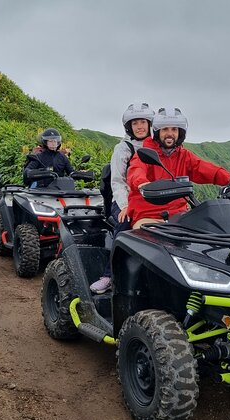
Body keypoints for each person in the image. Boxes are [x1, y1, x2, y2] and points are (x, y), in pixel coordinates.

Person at [127, 107, 230, 229]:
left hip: (179, 217)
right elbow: (136, 170)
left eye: (174, 129)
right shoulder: (145, 153)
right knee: (144, 241)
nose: (170, 133)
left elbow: (209, 170)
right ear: (157, 132)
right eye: (165, 129)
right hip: (148, 216)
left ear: (180, 132)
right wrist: (141, 183)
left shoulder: (184, 156)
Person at [90, 102, 154, 294]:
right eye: (135, 123)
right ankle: (109, 276)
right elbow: (117, 182)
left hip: (151, 200)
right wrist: (126, 205)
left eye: (143, 122)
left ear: (150, 124)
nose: (140, 126)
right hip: (124, 199)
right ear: (129, 127)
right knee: (126, 223)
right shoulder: (123, 148)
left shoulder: (155, 146)